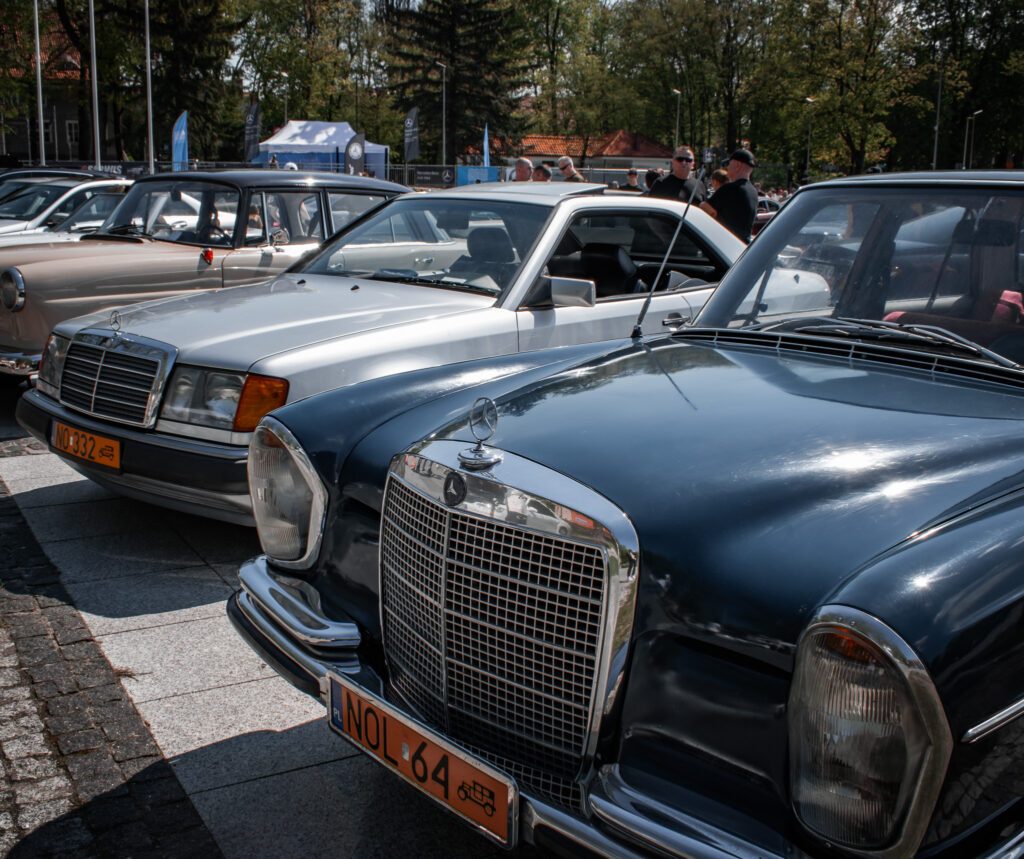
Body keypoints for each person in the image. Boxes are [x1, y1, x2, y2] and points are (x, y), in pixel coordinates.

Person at [700, 148, 758, 243]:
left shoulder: (731, 188)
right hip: (743, 245)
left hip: (725, 244)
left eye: (729, 164)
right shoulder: (753, 191)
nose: (727, 168)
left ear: (737, 165)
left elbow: (706, 209)